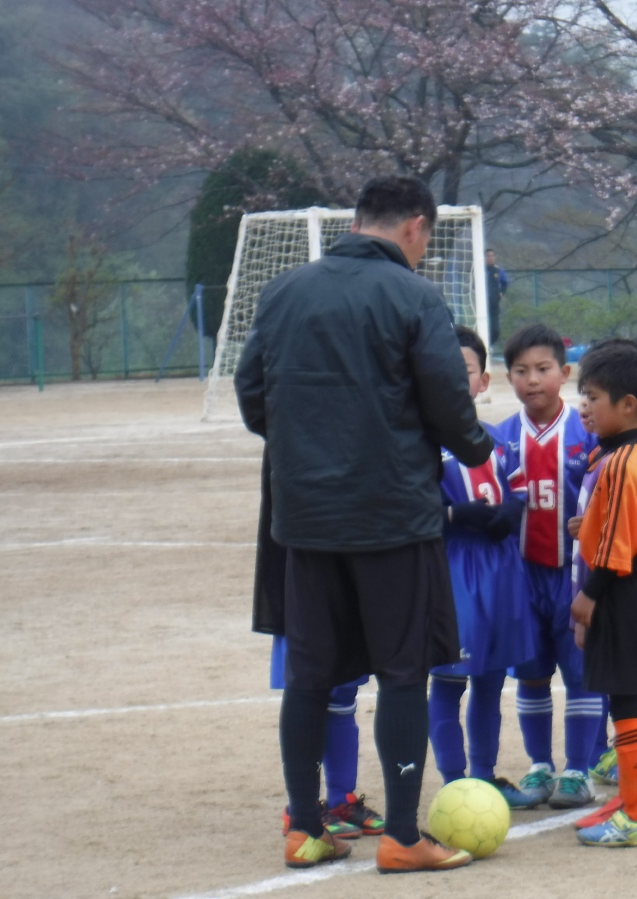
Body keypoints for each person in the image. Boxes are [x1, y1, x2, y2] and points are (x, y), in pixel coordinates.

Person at [234, 174, 491, 874]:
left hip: (305, 517)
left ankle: (304, 828)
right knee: (403, 671)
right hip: (391, 515)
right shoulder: (414, 294)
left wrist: (306, 446)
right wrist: (476, 448)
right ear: (415, 226)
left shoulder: (283, 290)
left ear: (356, 221)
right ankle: (403, 834)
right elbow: (447, 398)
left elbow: (252, 394)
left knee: (310, 673)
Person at [568, 342, 637, 847]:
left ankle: (635, 815)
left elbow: (619, 541)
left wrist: (589, 595)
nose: (585, 407)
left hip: (625, 591)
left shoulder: (622, 463)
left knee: (627, 705)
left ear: (629, 405)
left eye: (594, 397)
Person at [252, 452, 386, 850]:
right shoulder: (293, 430)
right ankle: (302, 808)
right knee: (309, 683)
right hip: (304, 557)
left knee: (345, 686)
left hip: (349, 546)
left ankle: (342, 797)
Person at [428, 326, 538, 807]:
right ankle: (455, 784)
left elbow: (518, 487)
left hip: (502, 571)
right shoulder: (420, 442)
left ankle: (484, 775)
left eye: (466, 370)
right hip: (454, 570)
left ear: (483, 380)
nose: (456, 379)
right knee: (449, 679)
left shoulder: (496, 439)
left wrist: (513, 509)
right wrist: (456, 515)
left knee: (491, 680)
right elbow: (407, 511)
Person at [497, 324, 601, 809]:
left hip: (572, 576)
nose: (532, 379)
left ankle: (579, 769)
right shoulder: (499, 439)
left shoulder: (587, 432)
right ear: (508, 378)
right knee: (532, 672)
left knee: (580, 672)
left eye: (543, 369)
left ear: (565, 372)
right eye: (521, 371)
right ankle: (540, 765)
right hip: (522, 579)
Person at [484, 248, 509, 345]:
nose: (490, 258)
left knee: (495, 330)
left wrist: (501, 292)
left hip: (494, 304)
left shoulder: (499, 271)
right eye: (488, 256)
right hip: (482, 304)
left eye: (492, 256)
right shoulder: (480, 270)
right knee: (483, 325)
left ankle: (490, 344)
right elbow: (473, 285)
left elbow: (505, 283)